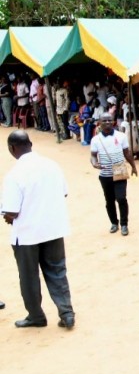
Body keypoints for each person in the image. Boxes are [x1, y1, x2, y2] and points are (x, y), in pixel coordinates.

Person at [2, 131, 75, 328]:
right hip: (53, 228)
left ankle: (36, 316)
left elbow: (11, 212)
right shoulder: (52, 165)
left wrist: (7, 216)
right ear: (31, 144)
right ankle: (67, 313)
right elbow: (63, 193)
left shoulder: (14, 174)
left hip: (27, 234)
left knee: (29, 277)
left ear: (12, 148)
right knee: (57, 271)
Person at [90, 113, 138, 236]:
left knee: (121, 198)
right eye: (104, 120)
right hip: (105, 174)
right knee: (109, 201)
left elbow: (127, 153)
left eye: (109, 120)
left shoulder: (121, 136)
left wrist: (133, 166)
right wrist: (94, 163)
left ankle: (124, 224)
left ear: (113, 121)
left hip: (120, 169)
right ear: (99, 122)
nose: (107, 122)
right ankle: (114, 223)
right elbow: (93, 156)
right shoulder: (95, 139)